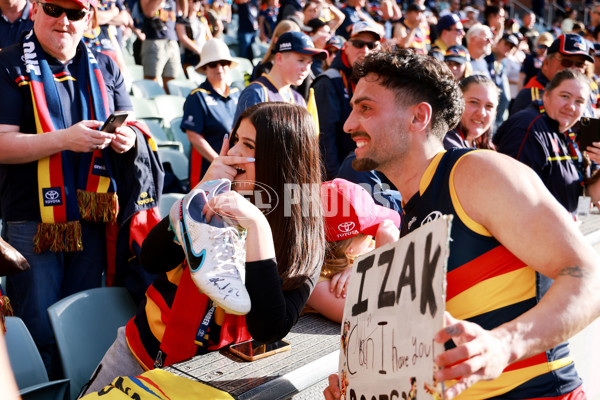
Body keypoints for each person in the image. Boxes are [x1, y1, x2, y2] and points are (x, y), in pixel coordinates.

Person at [324, 49, 600, 399]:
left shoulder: (476, 172)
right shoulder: (409, 214)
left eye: (365, 108)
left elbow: (589, 278)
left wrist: (503, 345)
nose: (348, 124)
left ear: (418, 117)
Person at [82, 102, 325, 395]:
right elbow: (151, 259)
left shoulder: (305, 235)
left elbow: (269, 328)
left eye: (248, 145)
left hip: (207, 379)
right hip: (139, 353)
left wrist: (257, 226)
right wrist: (200, 190)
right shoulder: (213, 199)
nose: (233, 153)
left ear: (281, 159)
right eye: (234, 140)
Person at [0, 0, 163, 378]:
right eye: (55, 9)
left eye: (74, 14)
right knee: (37, 326)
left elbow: (135, 127)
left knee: (84, 322)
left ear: (88, 17)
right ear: (37, 9)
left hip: (93, 217)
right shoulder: (8, 62)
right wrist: (64, 140)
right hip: (33, 220)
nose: (63, 21)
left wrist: (126, 140)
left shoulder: (105, 63)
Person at [495, 69, 600, 216]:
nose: (571, 106)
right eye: (565, 96)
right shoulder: (528, 126)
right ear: (546, 96)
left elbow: (588, 194)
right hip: (533, 234)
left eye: (579, 101)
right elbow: (513, 196)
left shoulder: (565, 132)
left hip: (560, 230)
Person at [306, 178, 400, 323]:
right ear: (348, 248)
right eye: (370, 232)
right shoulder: (313, 282)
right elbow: (371, 318)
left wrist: (365, 264)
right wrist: (382, 260)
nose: (372, 238)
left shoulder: (351, 252)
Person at [312, 20, 380, 179]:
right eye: (358, 44)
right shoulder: (328, 81)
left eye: (371, 45)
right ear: (347, 47)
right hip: (341, 176)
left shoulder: (378, 81)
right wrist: (336, 181)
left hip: (369, 171)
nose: (365, 50)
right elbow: (324, 138)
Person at [181, 39, 240, 188]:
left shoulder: (236, 94)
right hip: (206, 173)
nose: (219, 68)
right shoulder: (197, 96)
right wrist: (218, 163)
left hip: (234, 171)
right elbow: (193, 136)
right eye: (213, 64)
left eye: (224, 63)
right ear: (205, 68)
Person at [233, 31, 327, 122]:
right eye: (301, 60)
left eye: (309, 63)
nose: (306, 69)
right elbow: (239, 137)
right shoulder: (256, 93)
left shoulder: (298, 99)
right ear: (279, 58)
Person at [511, 33, 593, 115]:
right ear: (546, 63)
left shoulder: (581, 96)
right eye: (566, 62)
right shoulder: (531, 98)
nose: (573, 69)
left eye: (580, 65)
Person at [444, 74, 499, 150]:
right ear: (456, 103)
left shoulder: (485, 145)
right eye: (474, 102)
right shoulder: (444, 139)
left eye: (489, 106)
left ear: (495, 113)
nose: (481, 113)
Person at [140, 0, 181, 92]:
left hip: (172, 40)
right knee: (151, 82)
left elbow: (183, 13)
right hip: (154, 40)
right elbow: (148, 12)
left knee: (171, 82)